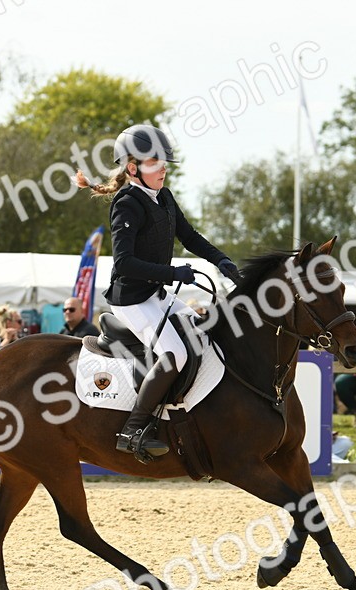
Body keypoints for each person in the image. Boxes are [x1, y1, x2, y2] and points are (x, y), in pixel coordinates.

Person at [76, 124, 240, 458]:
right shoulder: (127, 203)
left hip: (156, 295)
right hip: (131, 300)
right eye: (155, 163)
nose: (163, 169)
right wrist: (173, 273)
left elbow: (190, 237)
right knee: (175, 354)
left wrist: (221, 259)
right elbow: (124, 263)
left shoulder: (164, 197)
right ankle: (133, 429)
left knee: (203, 334)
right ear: (133, 168)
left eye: (164, 163)